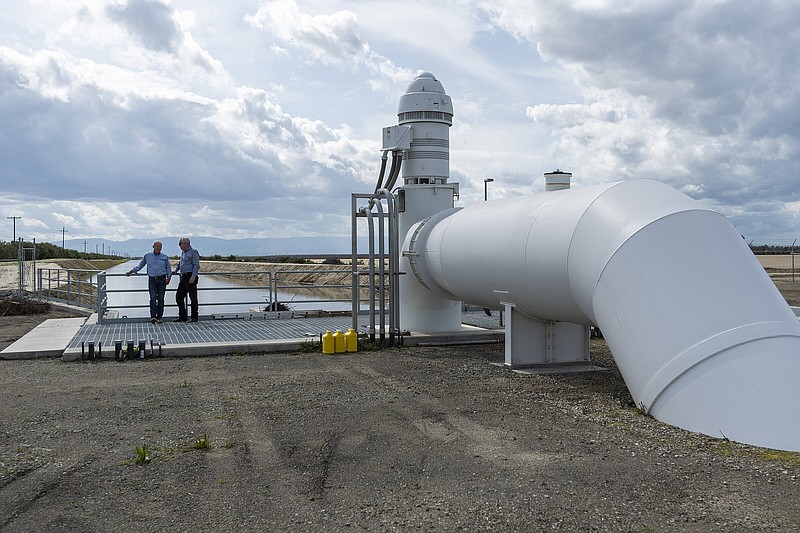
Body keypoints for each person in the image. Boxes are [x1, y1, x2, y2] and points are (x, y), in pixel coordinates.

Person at [126, 241, 172, 324]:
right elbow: (140, 266)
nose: (159, 248)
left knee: (161, 298)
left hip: (162, 280)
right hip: (152, 280)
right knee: (153, 298)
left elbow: (168, 268)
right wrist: (131, 271)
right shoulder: (147, 256)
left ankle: (160, 317)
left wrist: (169, 277)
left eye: (160, 246)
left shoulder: (165, 257)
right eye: (157, 246)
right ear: (153, 247)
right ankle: (153, 317)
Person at [173, 236, 200, 322]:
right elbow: (180, 263)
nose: (179, 246)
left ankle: (194, 317)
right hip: (183, 277)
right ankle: (182, 316)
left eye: (180, 244)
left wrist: (193, 276)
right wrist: (176, 270)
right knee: (179, 297)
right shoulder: (183, 253)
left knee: (193, 298)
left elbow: (196, 265)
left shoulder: (193, 252)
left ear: (186, 244)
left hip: (190, 276)